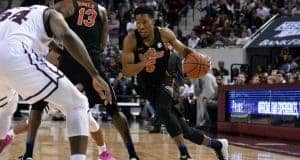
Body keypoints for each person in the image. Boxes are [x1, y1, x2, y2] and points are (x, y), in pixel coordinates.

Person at [17, 1, 139, 160]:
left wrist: (60, 50)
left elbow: (46, 33)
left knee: (39, 104)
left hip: (70, 61)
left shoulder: (66, 5)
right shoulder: (101, 10)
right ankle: (132, 155)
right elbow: (102, 46)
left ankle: (28, 153)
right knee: (114, 110)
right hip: (94, 63)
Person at [0, 4, 112, 160]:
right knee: (77, 104)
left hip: (26, 72)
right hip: (26, 66)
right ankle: (23, 148)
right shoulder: (50, 18)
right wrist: (95, 75)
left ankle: (103, 152)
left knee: (7, 108)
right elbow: (67, 35)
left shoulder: (11, 14)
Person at [121, 6, 228, 160]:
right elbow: (126, 71)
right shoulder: (131, 40)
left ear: (153, 20)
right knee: (186, 131)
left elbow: (184, 50)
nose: (141, 26)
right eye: (137, 22)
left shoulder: (165, 34)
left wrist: (201, 58)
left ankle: (184, 154)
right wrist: (143, 62)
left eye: (144, 22)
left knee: (164, 110)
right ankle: (218, 145)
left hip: (167, 80)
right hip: (148, 86)